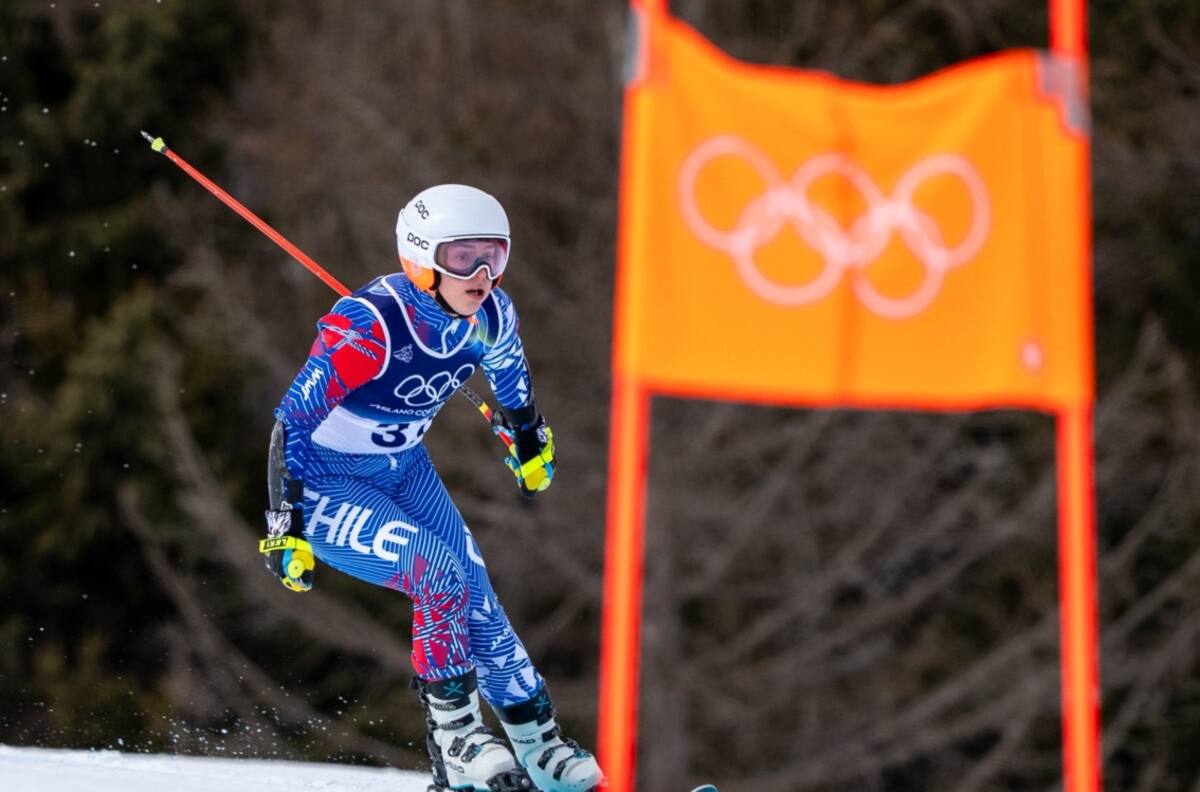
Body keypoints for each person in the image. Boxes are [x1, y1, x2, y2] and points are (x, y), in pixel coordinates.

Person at [259, 184, 604, 792]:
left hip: (406, 471)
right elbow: (292, 422)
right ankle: (458, 741)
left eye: (494, 256)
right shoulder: (368, 327)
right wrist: (285, 525)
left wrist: (527, 438)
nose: (481, 275)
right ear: (421, 259)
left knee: (475, 593)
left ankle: (538, 744)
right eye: (463, 256)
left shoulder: (490, 315)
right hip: (328, 484)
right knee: (436, 571)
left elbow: (511, 375)